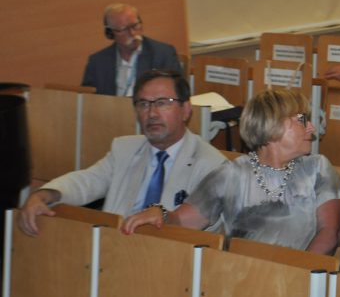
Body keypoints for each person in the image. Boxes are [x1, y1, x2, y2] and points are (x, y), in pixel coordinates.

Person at [122, 89, 340, 255]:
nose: (311, 128)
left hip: (302, 281)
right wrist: (160, 213)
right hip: (239, 280)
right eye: (302, 120)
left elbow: (330, 234)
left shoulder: (318, 169)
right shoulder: (231, 175)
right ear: (273, 124)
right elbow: (182, 221)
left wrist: (293, 274)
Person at [18, 70, 225, 236]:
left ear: (186, 110)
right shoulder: (125, 149)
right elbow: (87, 181)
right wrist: (45, 194)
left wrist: (162, 215)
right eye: (143, 104)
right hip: (115, 247)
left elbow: (192, 222)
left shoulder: (212, 165)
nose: (152, 113)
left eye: (162, 103)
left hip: (172, 258)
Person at [82, 3, 182, 96]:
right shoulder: (97, 62)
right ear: (110, 33)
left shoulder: (163, 54)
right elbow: (88, 97)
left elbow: (177, 92)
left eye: (135, 26)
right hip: (111, 108)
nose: (132, 33)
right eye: (124, 29)